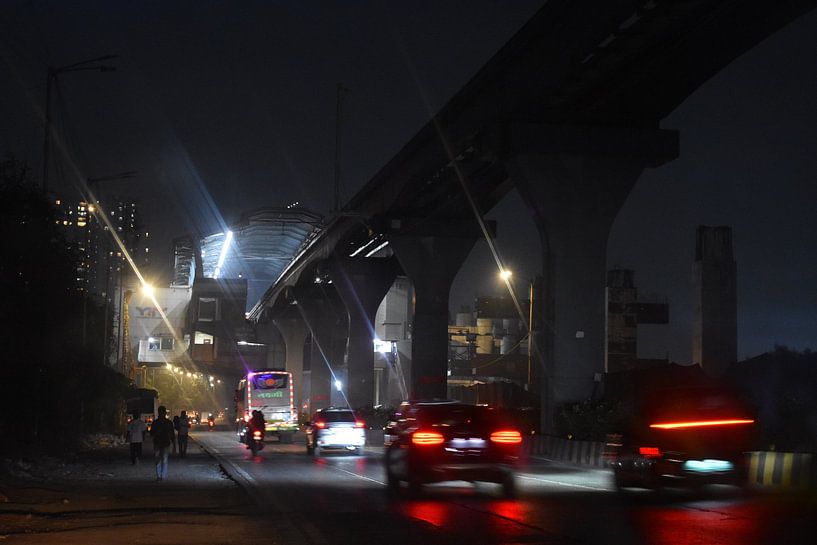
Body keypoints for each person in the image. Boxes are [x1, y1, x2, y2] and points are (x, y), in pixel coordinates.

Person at [150, 405, 175, 481]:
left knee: (164, 459)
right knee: (157, 459)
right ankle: (159, 476)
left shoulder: (169, 423)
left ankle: (163, 476)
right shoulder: (155, 423)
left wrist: (174, 445)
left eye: (162, 412)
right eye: (160, 412)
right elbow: (151, 433)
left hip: (165, 443)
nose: (161, 414)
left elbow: (172, 434)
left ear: (164, 413)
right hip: (157, 443)